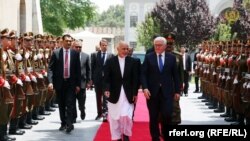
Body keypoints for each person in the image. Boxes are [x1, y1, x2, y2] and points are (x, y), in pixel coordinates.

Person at [141, 37, 180, 141]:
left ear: (165, 46)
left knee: (167, 115)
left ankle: (165, 134)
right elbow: (143, 74)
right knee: (153, 117)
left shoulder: (171, 58)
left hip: (167, 92)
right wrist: (145, 88)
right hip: (152, 93)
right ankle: (155, 137)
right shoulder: (149, 57)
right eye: (155, 45)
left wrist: (177, 91)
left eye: (159, 45)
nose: (157, 47)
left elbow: (175, 75)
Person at [103, 41, 138, 141]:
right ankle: (117, 137)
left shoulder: (133, 62)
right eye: (123, 49)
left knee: (127, 116)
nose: (126, 51)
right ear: (117, 49)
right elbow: (106, 78)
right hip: (114, 94)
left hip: (128, 94)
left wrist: (135, 93)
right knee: (114, 118)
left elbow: (136, 79)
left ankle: (126, 134)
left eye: (127, 49)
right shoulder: (110, 61)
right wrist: (107, 89)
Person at [48, 34, 81, 133]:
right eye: (66, 41)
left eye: (70, 41)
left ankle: (69, 123)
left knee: (70, 103)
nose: (69, 42)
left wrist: (78, 84)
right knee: (61, 104)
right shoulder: (56, 53)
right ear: (62, 42)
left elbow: (78, 70)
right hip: (59, 83)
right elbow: (50, 68)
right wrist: (50, 82)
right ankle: (63, 122)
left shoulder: (75, 54)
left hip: (71, 83)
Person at [91, 39, 114, 122]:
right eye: (103, 45)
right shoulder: (94, 55)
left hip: (107, 80)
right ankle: (99, 113)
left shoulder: (111, 55)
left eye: (106, 45)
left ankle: (105, 114)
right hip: (97, 80)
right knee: (98, 97)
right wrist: (91, 79)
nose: (104, 47)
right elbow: (92, 67)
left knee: (106, 97)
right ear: (100, 46)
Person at [72, 40, 91, 121]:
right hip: (72, 83)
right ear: (73, 47)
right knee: (72, 102)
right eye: (77, 47)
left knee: (81, 101)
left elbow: (89, 69)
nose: (78, 48)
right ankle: (74, 116)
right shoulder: (69, 56)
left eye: (80, 47)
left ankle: (82, 110)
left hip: (82, 83)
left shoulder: (86, 56)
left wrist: (89, 82)